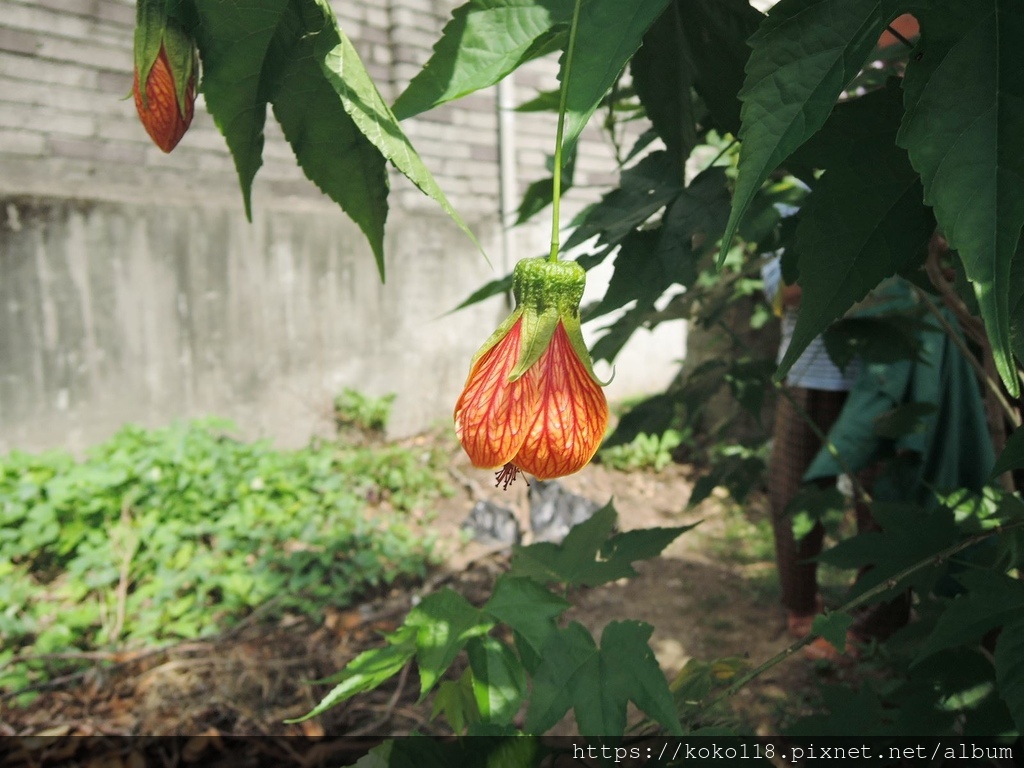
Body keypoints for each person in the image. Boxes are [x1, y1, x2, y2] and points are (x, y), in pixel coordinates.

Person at [761, 254, 860, 659]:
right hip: (811, 368)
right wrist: (864, 264)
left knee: (882, 493)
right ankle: (801, 607)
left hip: (886, 367)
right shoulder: (794, 192)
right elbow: (780, 291)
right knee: (795, 493)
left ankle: (876, 619)